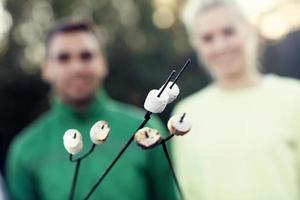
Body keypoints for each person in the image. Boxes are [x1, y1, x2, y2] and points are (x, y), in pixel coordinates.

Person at [6, 20, 176, 200]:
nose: (77, 68)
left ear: (102, 63)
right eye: (63, 58)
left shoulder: (146, 131)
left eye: (86, 56)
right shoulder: (25, 149)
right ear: (47, 69)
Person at [172, 0, 300, 200]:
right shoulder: (185, 115)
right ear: (196, 45)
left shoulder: (293, 97)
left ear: (248, 31)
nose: (220, 46)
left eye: (228, 32)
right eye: (207, 38)